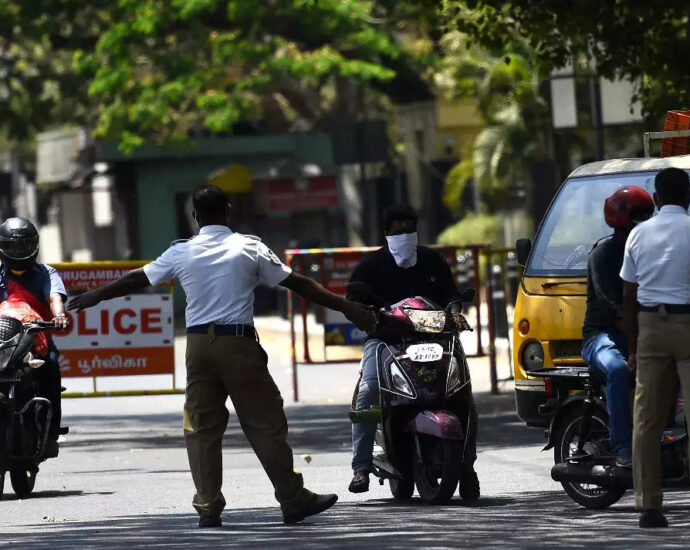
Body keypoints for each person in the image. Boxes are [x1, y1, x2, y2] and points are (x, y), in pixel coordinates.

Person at [67, 184, 375, 528]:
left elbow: (140, 277)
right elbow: (298, 283)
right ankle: (292, 498)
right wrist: (346, 306)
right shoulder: (249, 247)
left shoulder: (181, 252)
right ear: (228, 212)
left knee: (200, 429)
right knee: (264, 424)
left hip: (198, 347)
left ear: (195, 216)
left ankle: (208, 506)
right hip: (237, 344)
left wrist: (97, 296)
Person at [346, 204, 479, 498]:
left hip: (435, 341)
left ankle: (467, 465)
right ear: (386, 235)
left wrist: (455, 312)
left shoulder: (433, 261)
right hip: (385, 342)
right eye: (398, 232)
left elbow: (451, 297)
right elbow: (353, 303)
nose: (404, 235)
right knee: (368, 392)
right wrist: (368, 315)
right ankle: (361, 466)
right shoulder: (371, 266)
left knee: (463, 394)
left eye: (409, 230)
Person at [621, 167, 690, 528]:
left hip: (650, 328)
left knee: (646, 421)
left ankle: (649, 506)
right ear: (688, 198)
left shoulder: (638, 235)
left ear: (657, 200)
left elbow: (627, 297)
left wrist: (633, 349)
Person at [581, 187, 654, 468]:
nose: (645, 220)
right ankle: (623, 447)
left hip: (639, 332)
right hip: (600, 337)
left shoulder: (649, 250)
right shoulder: (603, 255)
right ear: (621, 219)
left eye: (648, 214)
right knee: (619, 369)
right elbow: (615, 308)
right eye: (638, 215)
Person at [0, 217, 69, 457]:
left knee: (50, 366)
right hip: (2, 343)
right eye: (12, 247)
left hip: (34, 340)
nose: (19, 252)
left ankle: (51, 435)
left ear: (35, 246)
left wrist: (58, 315)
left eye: (24, 246)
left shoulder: (46, 273)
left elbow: (55, 298)